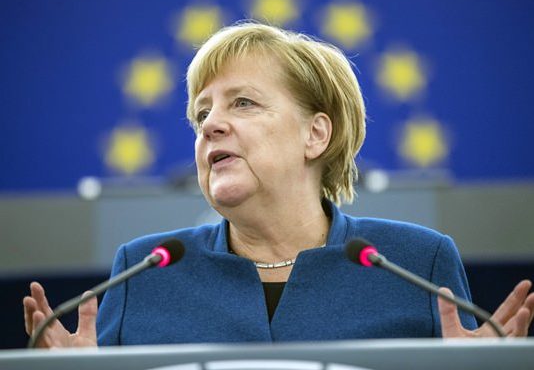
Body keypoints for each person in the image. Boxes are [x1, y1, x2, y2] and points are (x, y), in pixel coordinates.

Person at [23, 22, 534, 347]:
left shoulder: (416, 263)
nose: (210, 125)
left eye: (243, 103)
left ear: (316, 135)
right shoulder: (143, 271)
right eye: (202, 114)